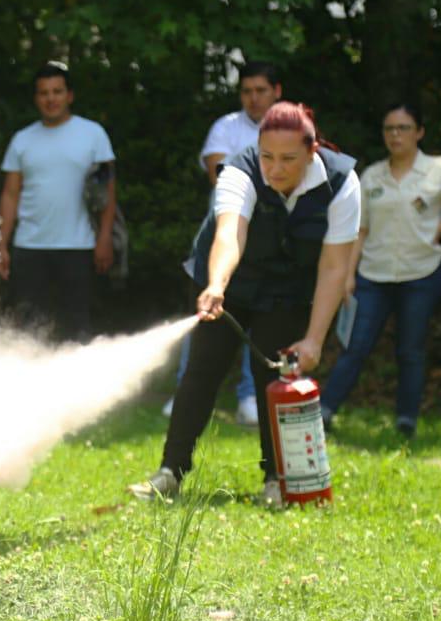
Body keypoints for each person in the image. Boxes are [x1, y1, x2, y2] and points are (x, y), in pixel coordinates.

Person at [129, 102, 360, 504]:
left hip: (287, 290)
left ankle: (276, 480)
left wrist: (315, 340)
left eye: (288, 158)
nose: (275, 168)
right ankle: (170, 472)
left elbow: (334, 267)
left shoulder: (342, 182)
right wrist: (217, 285)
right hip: (226, 283)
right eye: (268, 156)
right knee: (202, 370)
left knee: (274, 375)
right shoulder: (239, 170)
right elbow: (229, 234)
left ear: (312, 151)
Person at [320, 104, 441, 438]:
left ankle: (406, 421)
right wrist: (348, 275)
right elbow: (359, 229)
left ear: (419, 132)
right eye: (389, 128)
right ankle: (324, 412)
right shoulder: (372, 175)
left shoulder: (438, 170)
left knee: (410, 350)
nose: (395, 135)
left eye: (403, 128)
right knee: (356, 346)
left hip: (421, 272)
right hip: (373, 275)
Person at [164, 62, 283, 425]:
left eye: (261, 90)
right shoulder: (226, 127)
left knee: (258, 328)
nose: (253, 98)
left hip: (269, 252)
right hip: (224, 241)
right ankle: (186, 392)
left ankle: (249, 398)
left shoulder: (291, 129)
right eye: (247, 91)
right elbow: (220, 173)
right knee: (204, 320)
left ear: (277, 91)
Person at [0, 61, 116, 343]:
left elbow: (107, 191)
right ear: (36, 98)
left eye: (57, 92)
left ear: (69, 95)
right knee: (28, 328)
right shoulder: (22, 140)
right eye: (44, 93)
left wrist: (105, 238)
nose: (51, 99)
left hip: (78, 245)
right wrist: (2, 243)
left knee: (76, 327)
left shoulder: (93, 135)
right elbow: (10, 194)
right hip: (29, 247)